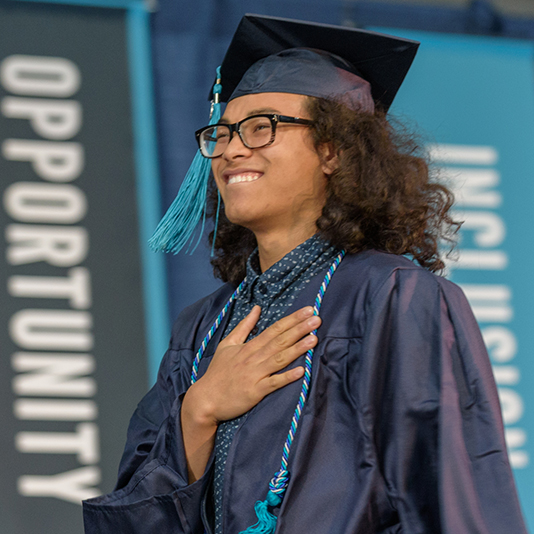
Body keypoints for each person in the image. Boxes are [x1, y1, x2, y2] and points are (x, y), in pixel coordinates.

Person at [83, 14, 528, 534]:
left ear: (333, 150)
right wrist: (198, 410)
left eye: (260, 127)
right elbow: (131, 519)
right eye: (221, 133)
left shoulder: (394, 298)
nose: (230, 149)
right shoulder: (201, 329)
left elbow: (454, 495)